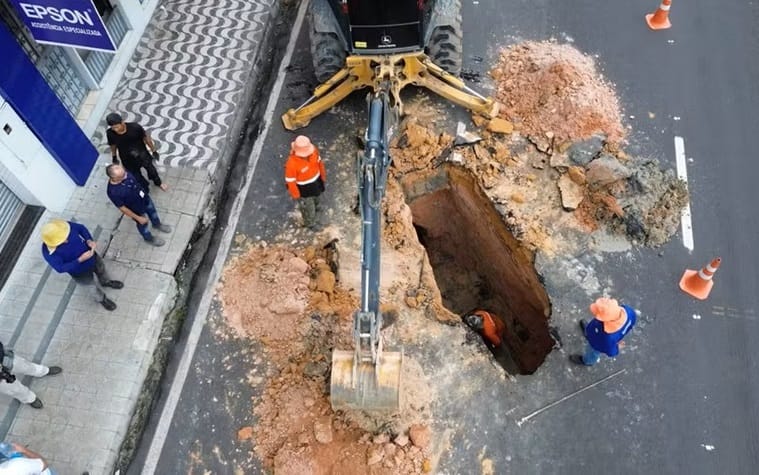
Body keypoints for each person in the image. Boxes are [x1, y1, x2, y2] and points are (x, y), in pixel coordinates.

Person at [41, 219, 123, 311]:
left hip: (93, 258)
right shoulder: (48, 252)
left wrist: (89, 240)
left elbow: (81, 228)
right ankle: (102, 299)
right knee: (91, 287)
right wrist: (80, 260)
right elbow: (60, 268)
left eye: (65, 236)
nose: (66, 240)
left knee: (102, 270)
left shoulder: (64, 227)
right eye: (62, 240)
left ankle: (106, 282)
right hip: (79, 272)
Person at [106, 164, 171, 247]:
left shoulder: (124, 173)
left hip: (145, 199)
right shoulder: (113, 192)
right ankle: (148, 238)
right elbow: (122, 208)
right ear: (114, 178)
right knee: (143, 225)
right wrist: (138, 218)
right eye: (123, 176)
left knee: (153, 212)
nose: (126, 176)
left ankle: (157, 224)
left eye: (125, 173)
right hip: (136, 210)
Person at [106, 112, 167, 192]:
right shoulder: (110, 133)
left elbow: (146, 138)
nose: (115, 130)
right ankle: (145, 188)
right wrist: (114, 156)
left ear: (122, 122)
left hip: (142, 154)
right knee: (136, 175)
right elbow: (113, 145)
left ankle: (158, 183)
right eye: (113, 128)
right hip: (127, 158)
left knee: (151, 170)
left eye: (117, 127)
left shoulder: (135, 127)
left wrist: (153, 150)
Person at [570, 297, 638, 366]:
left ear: (607, 320)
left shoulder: (608, 338)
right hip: (596, 331)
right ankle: (588, 332)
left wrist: (617, 348)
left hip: (597, 344)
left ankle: (588, 361)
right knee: (591, 331)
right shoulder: (628, 311)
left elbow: (611, 351)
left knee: (592, 352)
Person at [0, 341, 62, 409]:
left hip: (3, 358)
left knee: (24, 365)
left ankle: (43, 371)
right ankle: (29, 398)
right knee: (12, 389)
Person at [284, 135, 326, 230]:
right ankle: (310, 223)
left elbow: (320, 164)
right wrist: (297, 196)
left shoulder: (313, 152)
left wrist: (323, 177)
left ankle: (317, 208)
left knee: (318, 197)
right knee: (308, 208)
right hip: (304, 190)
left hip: (316, 183)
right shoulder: (291, 164)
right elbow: (290, 181)